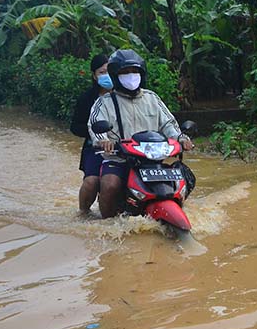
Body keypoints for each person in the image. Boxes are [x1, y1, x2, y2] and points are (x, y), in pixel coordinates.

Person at [88, 49, 193, 219]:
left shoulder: (152, 98)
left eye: (134, 71)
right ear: (116, 75)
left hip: (152, 160)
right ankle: (107, 223)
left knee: (180, 182)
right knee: (110, 184)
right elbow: (95, 125)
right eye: (125, 72)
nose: (131, 76)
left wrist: (182, 138)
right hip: (120, 160)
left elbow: (168, 124)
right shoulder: (105, 102)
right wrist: (103, 140)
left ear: (141, 74)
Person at [70, 54, 112, 215]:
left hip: (124, 146)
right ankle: (83, 212)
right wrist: (96, 134)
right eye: (102, 72)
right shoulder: (87, 99)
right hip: (95, 148)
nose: (106, 75)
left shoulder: (124, 96)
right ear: (94, 76)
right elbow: (74, 127)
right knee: (91, 181)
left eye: (109, 71)